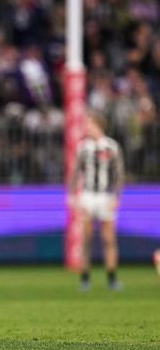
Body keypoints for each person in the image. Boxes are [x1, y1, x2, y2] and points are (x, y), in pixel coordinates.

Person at [69, 112, 125, 291]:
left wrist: (117, 197)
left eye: (90, 124)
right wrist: (72, 196)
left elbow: (119, 175)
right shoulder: (83, 147)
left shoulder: (111, 147)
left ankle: (111, 279)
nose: (87, 127)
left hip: (105, 196)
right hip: (88, 196)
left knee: (108, 239)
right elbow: (75, 172)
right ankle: (85, 279)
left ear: (99, 125)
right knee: (86, 238)